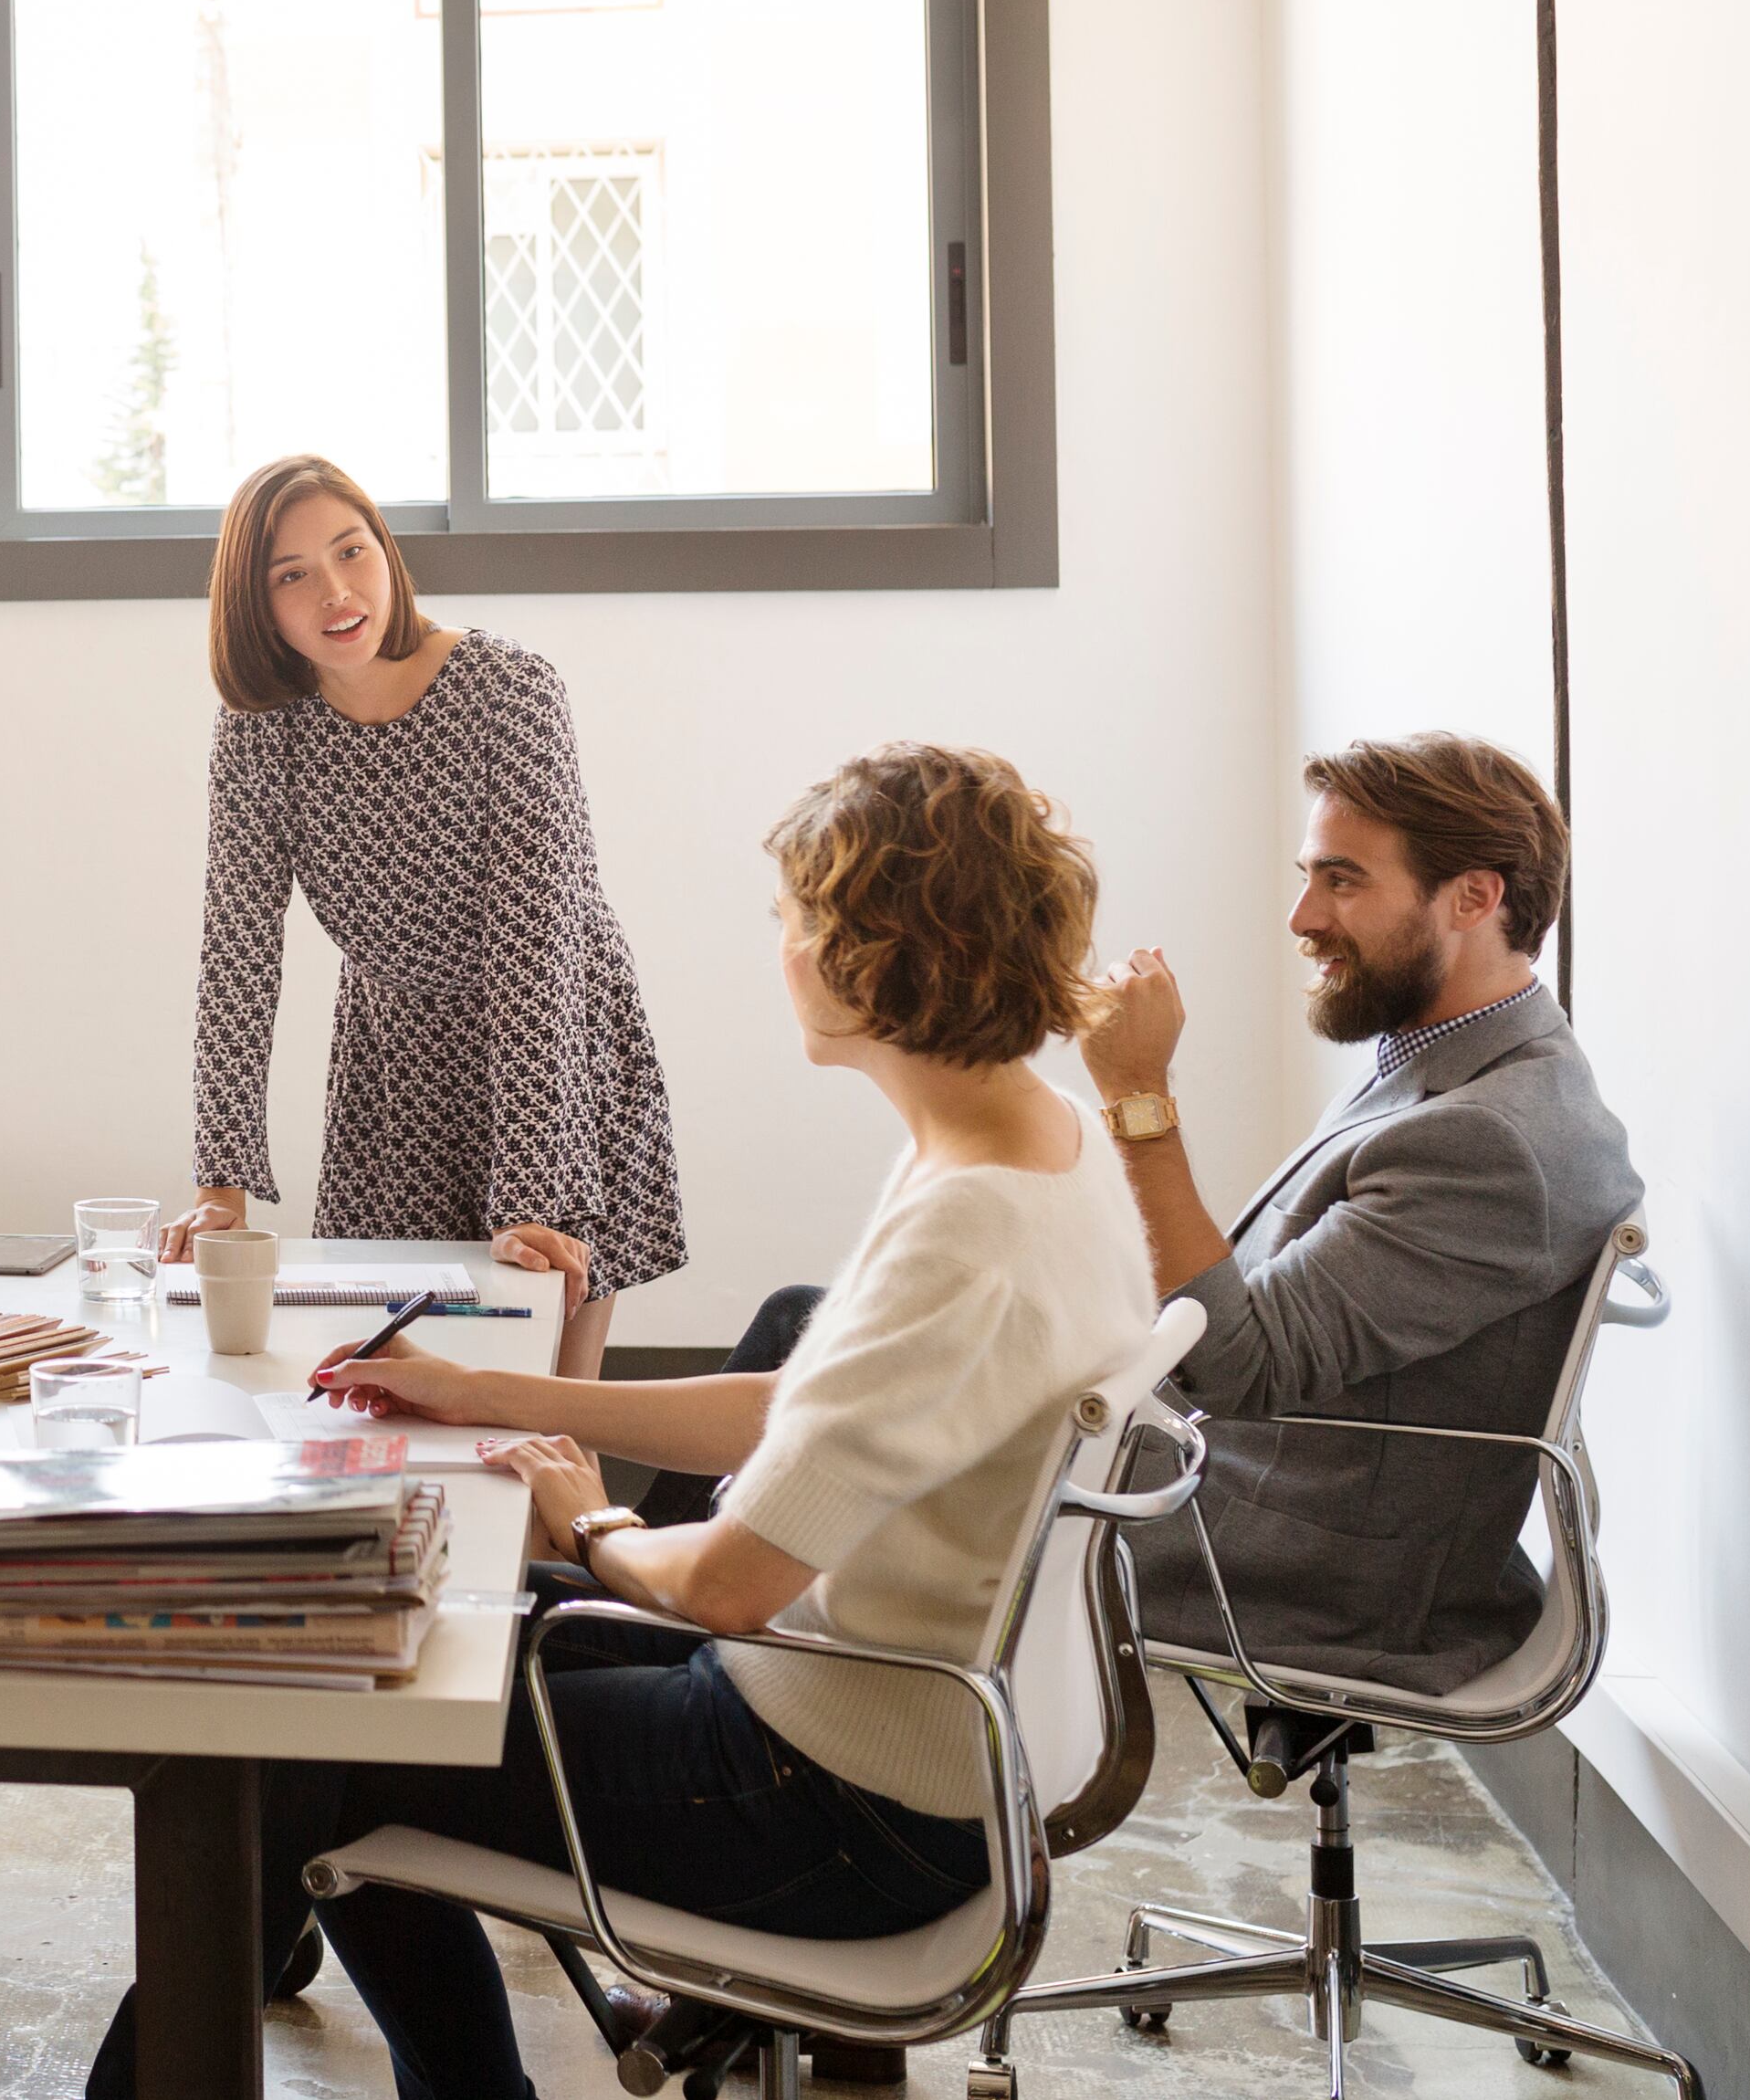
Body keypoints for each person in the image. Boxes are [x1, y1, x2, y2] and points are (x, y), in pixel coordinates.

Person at [90, 744, 1158, 2100]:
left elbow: (723, 1580)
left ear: (872, 951)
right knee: (387, 1640)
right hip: (900, 1746)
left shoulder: (968, 1223)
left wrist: (589, 1520)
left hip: (830, 1801)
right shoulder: (1031, 1138)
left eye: (794, 919)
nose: (780, 947)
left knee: (314, 1727)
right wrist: (493, 1392)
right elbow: (806, 1405)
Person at [1073, 733, 1644, 1689]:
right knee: (830, 1337)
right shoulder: (1451, 1064)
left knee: (864, 1428)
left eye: (1340, 881)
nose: (1300, 916)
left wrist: (1139, 1101)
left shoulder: (1488, 1138)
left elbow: (1235, 1370)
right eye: (1307, 876)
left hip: (1295, 1564)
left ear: (1473, 897)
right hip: (1251, 1480)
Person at [163, 451, 686, 1376]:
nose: (333, 591)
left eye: (350, 552)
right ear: (255, 604)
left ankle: (596, 1527)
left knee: (555, 1412)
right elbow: (236, 959)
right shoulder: (256, 734)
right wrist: (220, 1187)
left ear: (385, 553)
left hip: (550, 1058)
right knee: (391, 1390)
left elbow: (538, 951)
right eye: (291, 575)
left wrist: (531, 1192)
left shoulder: (511, 693)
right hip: (391, 1072)